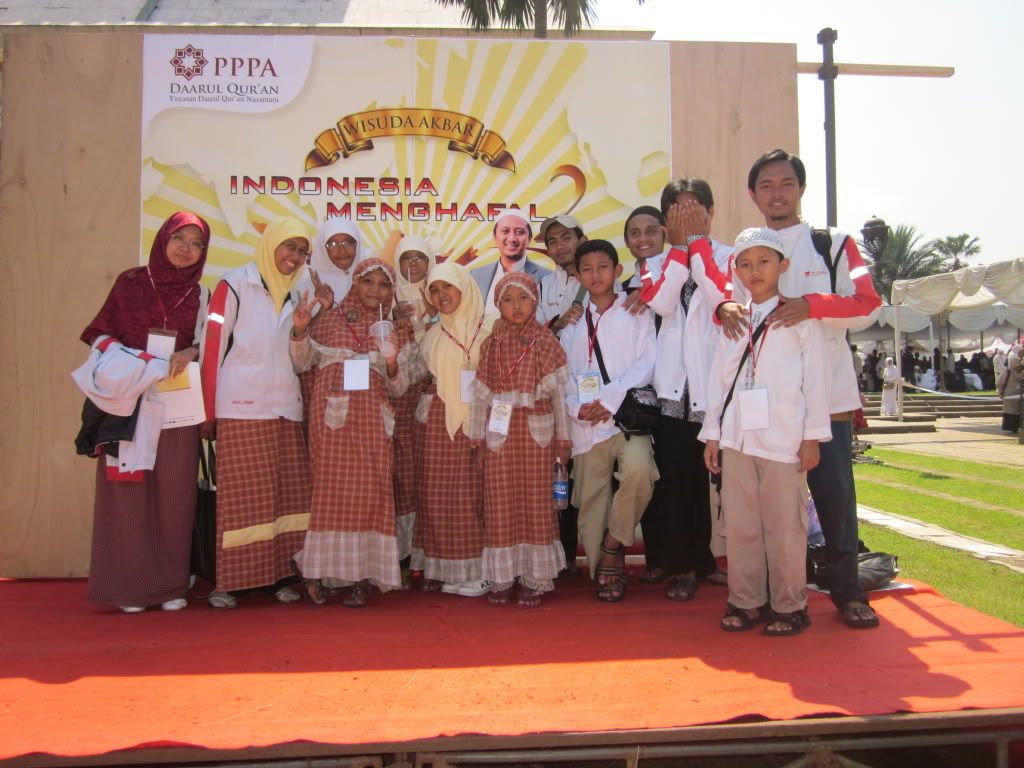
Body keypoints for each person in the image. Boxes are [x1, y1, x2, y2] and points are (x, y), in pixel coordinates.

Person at [717, 149, 882, 629]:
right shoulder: (742, 252)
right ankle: (771, 598)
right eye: (766, 186)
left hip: (827, 399)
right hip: (764, 413)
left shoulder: (833, 243)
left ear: (801, 189)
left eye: (786, 183)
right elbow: (726, 306)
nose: (777, 193)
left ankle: (848, 593)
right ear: (752, 194)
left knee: (834, 500)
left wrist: (813, 305)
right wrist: (722, 309)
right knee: (768, 515)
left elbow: (868, 303)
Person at [77, 211, 211, 613]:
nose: (186, 249)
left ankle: (170, 586)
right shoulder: (131, 282)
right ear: (163, 240)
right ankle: (130, 587)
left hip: (176, 401)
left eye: (196, 244)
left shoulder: (201, 294)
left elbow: (211, 342)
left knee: (175, 492)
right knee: (128, 491)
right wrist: (135, 360)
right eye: (179, 239)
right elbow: (100, 333)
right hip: (128, 401)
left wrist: (192, 351)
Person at [701, 227, 831, 637]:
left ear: (782, 265)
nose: (754, 271)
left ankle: (790, 606)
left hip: (784, 440)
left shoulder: (799, 319)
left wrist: (811, 437)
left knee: (785, 528)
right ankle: (745, 601)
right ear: (735, 270)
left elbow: (815, 382)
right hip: (737, 438)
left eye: (763, 261)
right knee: (741, 527)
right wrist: (712, 435)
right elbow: (718, 382)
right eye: (745, 263)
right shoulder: (732, 319)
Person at [199, 216, 314, 609]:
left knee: (285, 497)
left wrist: (303, 327)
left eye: (302, 251)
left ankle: (279, 576)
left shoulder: (301, 291)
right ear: (271, 245)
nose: (295, 256)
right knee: (243, 498)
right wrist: (207, 411)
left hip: (285, 408)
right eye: (289, 247)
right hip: (241, 407)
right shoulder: (234, 284)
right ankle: (228, 583)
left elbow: (301, 356)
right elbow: (212, 348)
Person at [290, 257, 416, 607]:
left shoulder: (392, 329)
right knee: (330, 494)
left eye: (384, 284)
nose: (375, 290)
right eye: (367, 281)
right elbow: (301, 362)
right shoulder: (329, 319)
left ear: (392, 291)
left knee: (372, 492)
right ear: (355, 283)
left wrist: (391, 361)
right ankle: (320, 572)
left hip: (373, 422)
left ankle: (362, 577)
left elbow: (399, 387)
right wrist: (300, 330)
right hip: (333, 421)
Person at [635, 179, 732, 599]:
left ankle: (706, 559)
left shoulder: (730, 256)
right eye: (678, 211)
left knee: (717, 483)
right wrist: (680, 247)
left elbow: (719, 296)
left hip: (718, 387)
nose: (688, 217)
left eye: (695, 209)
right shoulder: (654, 264)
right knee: (678, 481)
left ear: (711, 213)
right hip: (673, 391)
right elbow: (661, 302)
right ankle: (682, 567)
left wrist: (698, 245)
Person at [560, 239, 658, 602]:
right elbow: (565, 375)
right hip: (586, 425)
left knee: (640, 473)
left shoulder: (636, 313)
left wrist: (608, 400)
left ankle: (614, 546)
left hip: (625, 419)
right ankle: (601, 565)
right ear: (578, 276)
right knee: (590, 504)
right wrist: (577, 407)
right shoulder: (572, 326)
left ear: (617, 270)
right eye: (587, 269)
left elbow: (648, 362)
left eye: (603, 267)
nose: (595, 274)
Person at [467, 273, 572, 607]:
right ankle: (502, 576)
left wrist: (563, 441)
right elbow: (481, 398)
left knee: (537, 505)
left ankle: (535, 577)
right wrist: (477, 441)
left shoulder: (544, 340)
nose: (516, 306)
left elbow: (558, 397)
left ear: (535, 302)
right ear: (498, 305)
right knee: (500, 504)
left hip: (537, 436)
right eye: (508, 300)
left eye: (523, 298)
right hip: (499, 437)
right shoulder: (491, 344)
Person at [411, 261, 493, 596]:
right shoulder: (431, 336)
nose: (441, 295)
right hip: (442, 426)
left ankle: (485, 573)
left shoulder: (493, 327)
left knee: (480, 496)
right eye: (434, 289)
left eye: (448, 287)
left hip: (485, 421)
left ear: (465, 288)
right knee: (443, 497)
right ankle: (453, 570)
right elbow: (414, 378)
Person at [535, 214, 588, 574]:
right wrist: (557, 323)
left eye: (566, 237)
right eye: (552, 241)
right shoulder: (542, 286)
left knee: (594, 475)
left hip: (596, 395)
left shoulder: (600, 276)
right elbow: (534, 334)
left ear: (581, 238)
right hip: (557, 393)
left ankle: (599, 554)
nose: (559, 246)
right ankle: (564, 556)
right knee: (560, 473)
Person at [392, 236, 437, 567]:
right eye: (406, 258)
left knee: (428, 471)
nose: (413, 264)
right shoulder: (386, 295)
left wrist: (435, 316)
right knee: (401, 472)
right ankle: (401, 551)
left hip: (433, 395)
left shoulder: (441, 293)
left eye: (419, 257)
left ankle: (426, 550)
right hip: (397, 399)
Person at [471, 209, 550, 319]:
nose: (512, 238)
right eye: (505, 231)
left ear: (529, 239)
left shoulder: (546, 277)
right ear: (494, 237)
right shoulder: (475, 276)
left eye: (519, 232)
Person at [998, 344, 1023, 432]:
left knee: (1019, 412)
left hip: (1020, 396)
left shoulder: (1021, 372)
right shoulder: (1007, 372)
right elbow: (1000, 383)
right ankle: (1012, 428)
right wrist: (1001, 392)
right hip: (1010, 395)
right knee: (1011, 412)